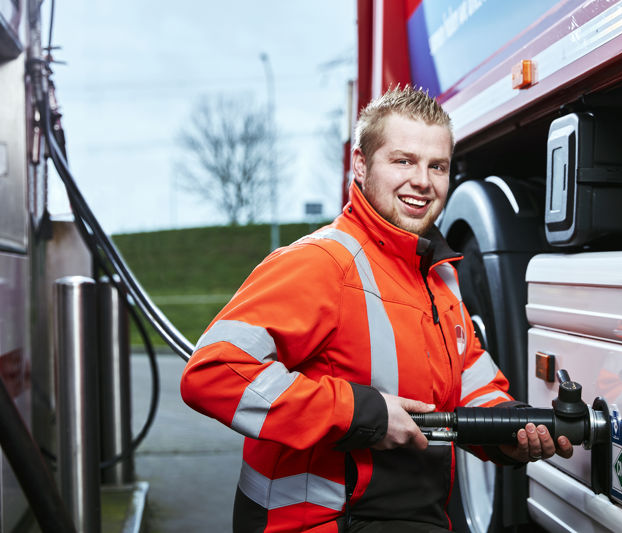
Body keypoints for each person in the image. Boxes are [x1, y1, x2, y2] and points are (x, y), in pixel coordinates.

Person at [180, 86, 573, 533]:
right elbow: (213, 372)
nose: (422, 181)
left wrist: (509, 432)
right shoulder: (323, 263)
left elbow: (472, 385)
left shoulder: (438, 278)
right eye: (403, 161)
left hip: (407, 517)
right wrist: (360, 414)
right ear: (362, 166)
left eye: (436, 166)